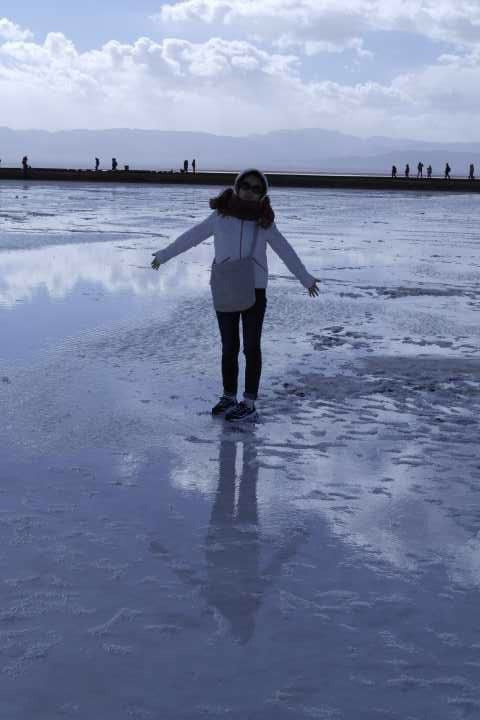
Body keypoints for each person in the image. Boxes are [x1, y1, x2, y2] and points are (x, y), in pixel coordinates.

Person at [151, 168, 320, 422]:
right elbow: (192, 237)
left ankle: (249, 402)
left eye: (256, 189)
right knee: (229, 346)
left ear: (262, 194)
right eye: (246, 186)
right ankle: (228, 396)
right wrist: (164, 255)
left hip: (255, 289)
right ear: (238, 186)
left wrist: (305, 279)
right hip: (225, 287)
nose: (250, 192)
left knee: (251, 347)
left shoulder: (264, 222)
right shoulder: (220, 216)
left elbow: (285, 250)